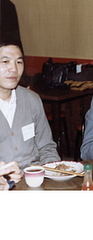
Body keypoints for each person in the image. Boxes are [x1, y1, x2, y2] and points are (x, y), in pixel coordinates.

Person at [0, 39, 61, 170]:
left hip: (35, 179)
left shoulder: (31, 99)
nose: (14, 69)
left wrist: (54, 171)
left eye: (19, 62)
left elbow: (46, 147)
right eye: (5, 62)